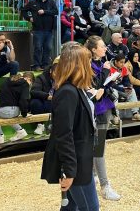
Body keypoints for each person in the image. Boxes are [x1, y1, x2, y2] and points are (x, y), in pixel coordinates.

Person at [41, 43, 100, 211]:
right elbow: (63, 134)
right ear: (78, 65)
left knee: (70, 207)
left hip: (81, 159)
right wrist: (69, 170)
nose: (90, 65)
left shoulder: (77, 88)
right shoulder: (68, 92)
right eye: (87, 62)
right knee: (90, 208)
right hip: (76, 163)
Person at [84, 36, 122, 202]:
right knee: (98, 149)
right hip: (97, 110)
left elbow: (102, 85)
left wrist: (112, 79)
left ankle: (94, 175)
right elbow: (96, 89)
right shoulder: (89, 65)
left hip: (105, 108)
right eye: (102, 46)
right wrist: (107, 74)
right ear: (93, 49)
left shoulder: (100, 62)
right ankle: (105, 187)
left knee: (98, 147)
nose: (105, 48)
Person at [22, 0, 59, 71]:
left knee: (48, 47)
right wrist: (29, 18)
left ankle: (45, 65)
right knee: (38, 48)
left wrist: (45, 11)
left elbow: (56, 12)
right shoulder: (32, 2)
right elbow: (23, 10)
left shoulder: (51, 2)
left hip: (49, 30)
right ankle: (36, 65)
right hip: (37, 29)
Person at [0, 72, 33, 144]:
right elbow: (24, 100)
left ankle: (0, 136)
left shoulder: (6, 81)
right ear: (29, 79)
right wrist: (24, 113)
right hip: (16, 110)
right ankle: (20, 130)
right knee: (6, 114)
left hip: (6, 109)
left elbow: (0, 95)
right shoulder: (25, 84)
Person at [31, 62, 57, 135]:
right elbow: (34, 91)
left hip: (54, 103)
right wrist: (47, 96)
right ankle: (40, 125)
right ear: (51, 71)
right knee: (35, 102)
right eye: (56, 73)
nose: (57, 75)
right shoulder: (41, 78)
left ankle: (53, 125)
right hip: (43, 101)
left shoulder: (62, 79)